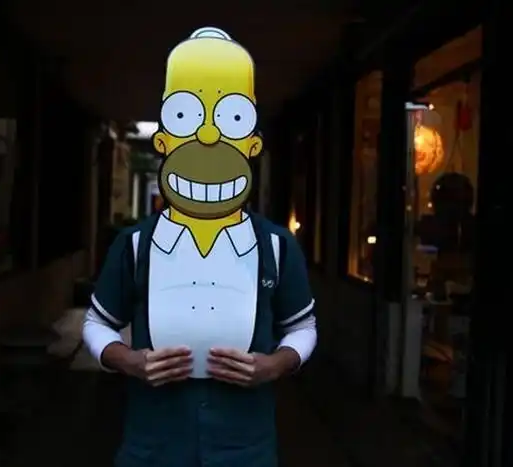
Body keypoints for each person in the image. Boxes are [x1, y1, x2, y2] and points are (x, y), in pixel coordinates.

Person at [83, 26, 317, 467]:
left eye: (231, 121)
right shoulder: (135, 245)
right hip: (153, 448)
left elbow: (302, 327)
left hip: (244, 450)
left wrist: (275, 365)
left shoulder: (276, 245)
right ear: (164, 141)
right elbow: (98, 323)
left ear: (252, 145)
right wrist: (128, 362)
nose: (208, 138)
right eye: (186, 118)